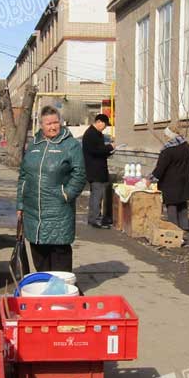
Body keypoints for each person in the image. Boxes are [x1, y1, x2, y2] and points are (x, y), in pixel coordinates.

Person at [16, 106, 86, 272]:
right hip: (33, 210)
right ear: (41, 125)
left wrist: (66, 194)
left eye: (56, 122)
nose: (53, 126)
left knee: (59, 254)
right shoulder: (34, 145)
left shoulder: (70, 145)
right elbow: (23, 176)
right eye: (48, 123)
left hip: (58, 210)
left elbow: (80, 174)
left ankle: (62, 293)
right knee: (38, 252)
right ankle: (44, 287)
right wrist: (20, 204)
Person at [150, 125, 189, 231]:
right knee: (182, 203)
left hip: (170, 182)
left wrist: (151, 179)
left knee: (172, 205)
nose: (165, 138)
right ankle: (184, 226)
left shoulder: (168, 150)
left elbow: (160, 168)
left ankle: (174, 229)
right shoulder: (186, 145)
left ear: (169, 136)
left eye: (166, 135)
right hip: (184, 180)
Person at [81, 113, 114, 229]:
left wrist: (108, 151)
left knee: (96, 194)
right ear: (99, 122)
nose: (105, 127)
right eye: (104, 125)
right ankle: (95, 219)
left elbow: (99, 151)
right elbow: (95, 151)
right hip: (95, 170)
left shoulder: (96, 134)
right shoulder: (91, 134)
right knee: (97, 195)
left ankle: (93, 217)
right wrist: (110, 147)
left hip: (97, 168)